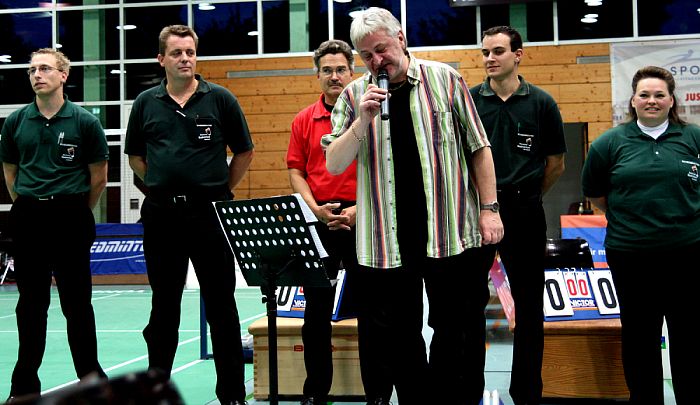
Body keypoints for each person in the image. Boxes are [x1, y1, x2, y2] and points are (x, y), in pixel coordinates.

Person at [322, 8, 503, 404]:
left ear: (400, 39)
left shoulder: (446, 79)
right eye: (366, 56)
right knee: (399, 339)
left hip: (448, 231)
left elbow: (479, 148)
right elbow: (334, 162)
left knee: (455, 332)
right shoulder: (354, 95)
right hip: (387, 241)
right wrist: (362, 121)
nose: (377, 61)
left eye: (382, 49)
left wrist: (490, 209)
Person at [124, 25, 254, 405]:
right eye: (177, 52)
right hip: (162, 215)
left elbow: (244, 152)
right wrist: (162, 186)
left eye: (190, 52)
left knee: (222, 307)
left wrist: (218, 191)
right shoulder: (146, 102)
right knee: (164, 308)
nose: (185, 59)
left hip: (210, 214)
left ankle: (232, 395)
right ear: (161, 59)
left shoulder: (221, 99)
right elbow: (134, 157)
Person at [582, 66, 698, 405]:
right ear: (632, 100)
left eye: (659, 94)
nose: (651, 100)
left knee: (690, 339)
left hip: (689, 255)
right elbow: (596, 194)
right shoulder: (609, 143)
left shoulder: (693, 138)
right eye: (644, 94)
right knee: (640, 339)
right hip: (631, 256)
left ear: (671, 100)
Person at [0, 48, 109, 402]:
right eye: (32, 69)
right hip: (29, 217)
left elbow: (98, 177)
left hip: (71, 217)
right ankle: (24, 385)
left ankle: (91, 379)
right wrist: (29, 206)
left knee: (78, 305)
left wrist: (76, 209)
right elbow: (10, 173)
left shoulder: (84, 122)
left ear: (63, 75)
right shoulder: (16, 122)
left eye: (45, 68)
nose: (36, 74)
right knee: (30, 306)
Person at [469, 26, 566, 405]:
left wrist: (529, 196)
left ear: (518, 55)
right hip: (476, 213)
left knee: (529, 307)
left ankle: (527, 394)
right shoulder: (471, 100)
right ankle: (468, 390)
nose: (489, 59)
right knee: (469, 305)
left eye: (496, 51)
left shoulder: (541, 103)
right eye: (484, 53)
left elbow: (556, 163)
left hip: (525, 211)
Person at [286, 39, 361, 405]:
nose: (334, 76)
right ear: (318, 76)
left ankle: (379, 390)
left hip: (365, 220)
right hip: (319, 221)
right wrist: (316, 210)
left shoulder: (369, 114)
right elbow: (296, 172)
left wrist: (359, 210)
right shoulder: (303, 119)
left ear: (352, 72)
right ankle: (316, 392)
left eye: (341, 69)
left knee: (375, 310)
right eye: (327, 70)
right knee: (315, 313)